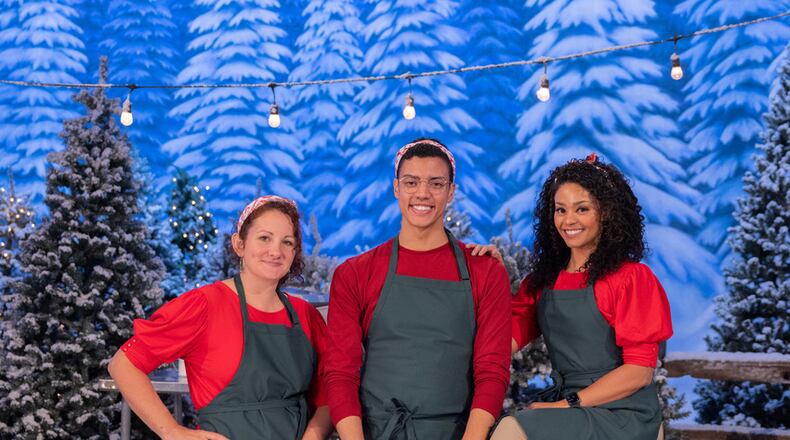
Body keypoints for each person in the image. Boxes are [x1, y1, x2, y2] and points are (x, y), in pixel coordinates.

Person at [325, 138, 512, 440]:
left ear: (451, 191)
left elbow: (492, 371)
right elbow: (340, 373)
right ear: (396, 188)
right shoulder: (355, 274)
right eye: (411, 182)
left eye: (436, 184)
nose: (422, 193)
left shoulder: (486, 272)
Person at [108, 196, 333, 440]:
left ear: (294, 252)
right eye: (264, 238)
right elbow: (124, 365)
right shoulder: (204, 305)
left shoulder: (306, 315)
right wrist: (171, 431)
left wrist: (313, 436)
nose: (275, 251)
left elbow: (330, 394)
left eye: (287, 242)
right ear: (239, 244)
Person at [490, 154, 673, 440]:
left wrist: (567, 404)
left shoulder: (631, 279)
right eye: (560, 210)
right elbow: (501, 342)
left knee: (512, 429)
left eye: (582, 209)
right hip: (571, 408)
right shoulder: (542, 282)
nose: (568, 220)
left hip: (625, 413)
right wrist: (486, 273)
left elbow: (639, 373)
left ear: (607, 212)